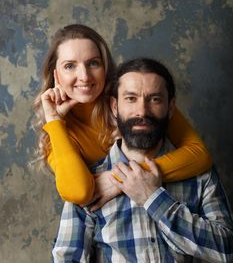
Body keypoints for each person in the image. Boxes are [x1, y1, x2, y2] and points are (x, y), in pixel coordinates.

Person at [49, 58, 233, 263]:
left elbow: (226, 250)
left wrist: (153, 199)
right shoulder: (89, 182)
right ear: (114, 107)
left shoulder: (200, 176)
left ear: (170, 107)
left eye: (154, 99)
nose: (142, 111)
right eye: (131, 98)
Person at [33, 24, 212, 207]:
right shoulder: (57, 134)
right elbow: (79, 192)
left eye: (93, 63)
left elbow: (200, 155)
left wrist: (120, 178)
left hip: (168, 203)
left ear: (105, 67)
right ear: (56, 74)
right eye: (69, 66)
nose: (84, 76)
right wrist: (54, 120)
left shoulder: (133, 99)